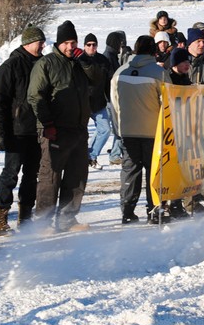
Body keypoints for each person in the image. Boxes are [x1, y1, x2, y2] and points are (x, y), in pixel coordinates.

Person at [27, 20, 91, 232]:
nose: (70, 47)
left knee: (77, 175)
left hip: (79, 129)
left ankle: (67, 219)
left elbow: (98, 81)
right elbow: (35, 96)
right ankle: (43, 222)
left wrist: (87, 63)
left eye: (73, 42)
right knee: (50, 177)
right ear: (58, 43)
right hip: (55, 130)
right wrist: (47, 124)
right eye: (66, 43)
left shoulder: (80, 64)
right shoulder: (47, 64)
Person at [0, 25, 45, 236]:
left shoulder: (42, 63)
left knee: (32, 175)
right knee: (10, 174)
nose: (43, 45)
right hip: (16, 130)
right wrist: (0, 132)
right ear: (28, 43)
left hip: (36, 129)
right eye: (39, 42)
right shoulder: (11, 66)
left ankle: (26, 217)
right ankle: (0, 218)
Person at [111, 35, 165, 224]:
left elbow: (114, 103)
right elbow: (167, 103)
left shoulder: (120, 72)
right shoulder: (158, 73)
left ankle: (127, 211)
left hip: (127, 131)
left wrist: (119, 128)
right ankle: (155, 210)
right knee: (154, 171)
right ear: (154, 51)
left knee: (130, 170)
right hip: (153, 132)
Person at [79, 33, 113, 169]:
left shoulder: (103, 60)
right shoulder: (79, 60)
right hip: (83, 103)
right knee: (80, 134)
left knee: (105, 130)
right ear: (84, 46)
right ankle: (79, 159)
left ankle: (91, 156)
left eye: (94, 44)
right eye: (89, 45)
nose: (92, 47)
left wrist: (110, 99)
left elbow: (108, 82)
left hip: (99, 103)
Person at [102, 31, 128, 165]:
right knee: (117, 128)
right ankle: (114, 154)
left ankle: (115, 152)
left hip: (111, 97)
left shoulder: (110, 56)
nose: (121, 46)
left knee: (118, 127)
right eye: (120, 43)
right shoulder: (108, 58)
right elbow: (110, 79)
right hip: (110, 99)